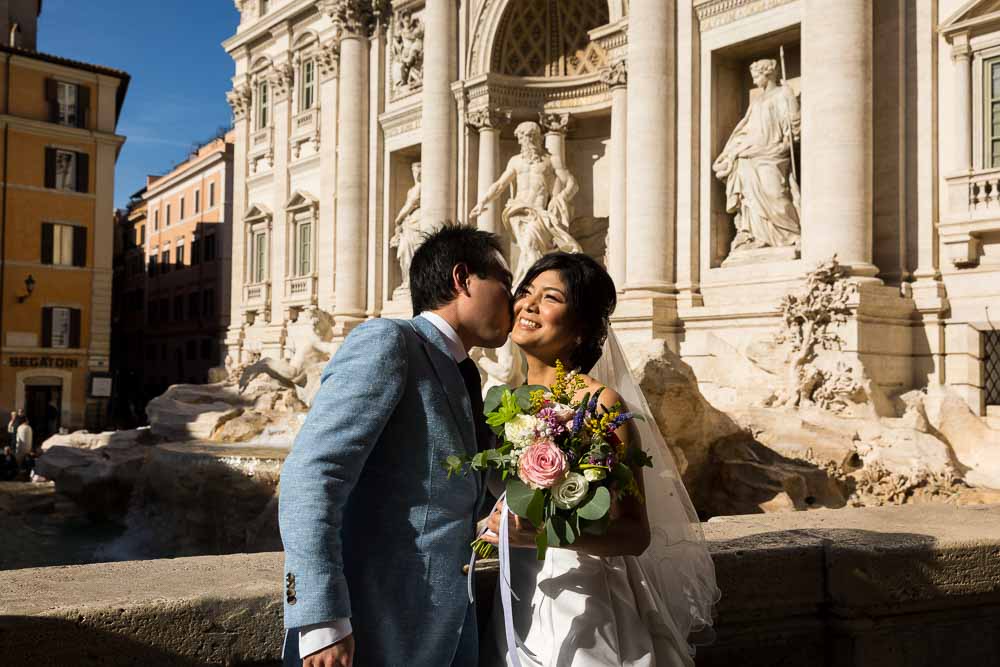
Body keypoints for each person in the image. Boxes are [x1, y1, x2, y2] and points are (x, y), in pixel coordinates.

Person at [279, 225, 514, 667]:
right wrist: (321, 619)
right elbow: (311, 474)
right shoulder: (389, 340)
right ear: (463, 279)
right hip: (372, 631)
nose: (513, 301)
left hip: (443, 630)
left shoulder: (466, 374)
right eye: (505, 284)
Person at [480, 252, 720, 667]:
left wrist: (544, 534)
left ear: (579, 330)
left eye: (551, 297)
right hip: (514, 592)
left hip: (581, 598)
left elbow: (634, 533)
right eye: (526, 292)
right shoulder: (499, 403)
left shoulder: (599, 403)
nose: (530, 304)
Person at [469, 121, 582, 286]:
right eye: (521, 137)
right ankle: (530, 284)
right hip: (518, 211)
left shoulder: (551, 161)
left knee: (531, 246)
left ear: (537, 138)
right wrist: (482, 202)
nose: (523, 141)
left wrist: (561, 197)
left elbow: (573, 184)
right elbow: (500, 184)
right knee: (529, 247)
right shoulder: (515, 161)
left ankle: (525, 284)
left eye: (527, 136)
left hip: (539, 213)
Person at [712, 58, 801, 254]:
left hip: (773, 152)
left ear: (768, 74)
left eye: (757, 76)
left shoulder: (783, 93)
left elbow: (794, 123)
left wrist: (792, 104)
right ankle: (755, 235)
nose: (753, 82)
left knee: (775, 193)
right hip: (750, 152)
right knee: (750, 199)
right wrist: (732, 151)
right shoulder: (756, 101)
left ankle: (791, 235)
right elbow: (745, 128)